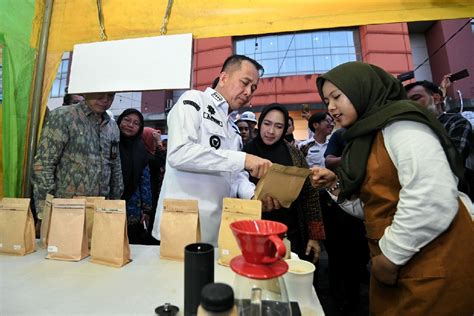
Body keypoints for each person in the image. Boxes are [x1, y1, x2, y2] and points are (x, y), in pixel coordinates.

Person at [310, 61, 474, 315]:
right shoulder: (365, 137)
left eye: (337, 96)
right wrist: (335, 185)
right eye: (326, 101)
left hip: (433, 266)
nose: (330, 107)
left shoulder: (403, 126)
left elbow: (433, 196)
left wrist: (391, 257)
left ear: (362, 89)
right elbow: (377, 206)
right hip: (394, 266)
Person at [151, 55, 276, 245]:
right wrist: (243, 159)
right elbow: (179, 153)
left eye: (253, 88)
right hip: (182, 225)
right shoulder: (194, 100)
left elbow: (235, 175)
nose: (248, 92)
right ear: (224, 78)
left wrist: (253, 195)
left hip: (218, 229)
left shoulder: (233, 128)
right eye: (245, 82)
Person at [243, 103, 325, 263]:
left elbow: (310, 194)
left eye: (278, 126)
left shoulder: (294, 154)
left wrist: (315, 237)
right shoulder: (244, 153)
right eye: (267, 124)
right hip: (255, 233)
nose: (271, 131)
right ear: (260, 124)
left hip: (291, 233)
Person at [32, 92, 123, 217]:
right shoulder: (64, 116)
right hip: (65, 210)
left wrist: (114, 206)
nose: (105, 100)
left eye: (111, 95)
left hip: (100, 209)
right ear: (87, 91)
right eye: (100, 94)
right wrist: (44, 211)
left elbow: (115, 167)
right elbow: (44, 164)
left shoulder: (112, 126)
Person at [117, 109, 153, 244]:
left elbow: (145, 181)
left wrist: (147, 210)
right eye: (127, 120)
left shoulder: (140, 149)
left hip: (133, 208)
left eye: (136, 123)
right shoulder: (109, 142)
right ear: (119, 120)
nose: (130, 125)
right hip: (108, 204)